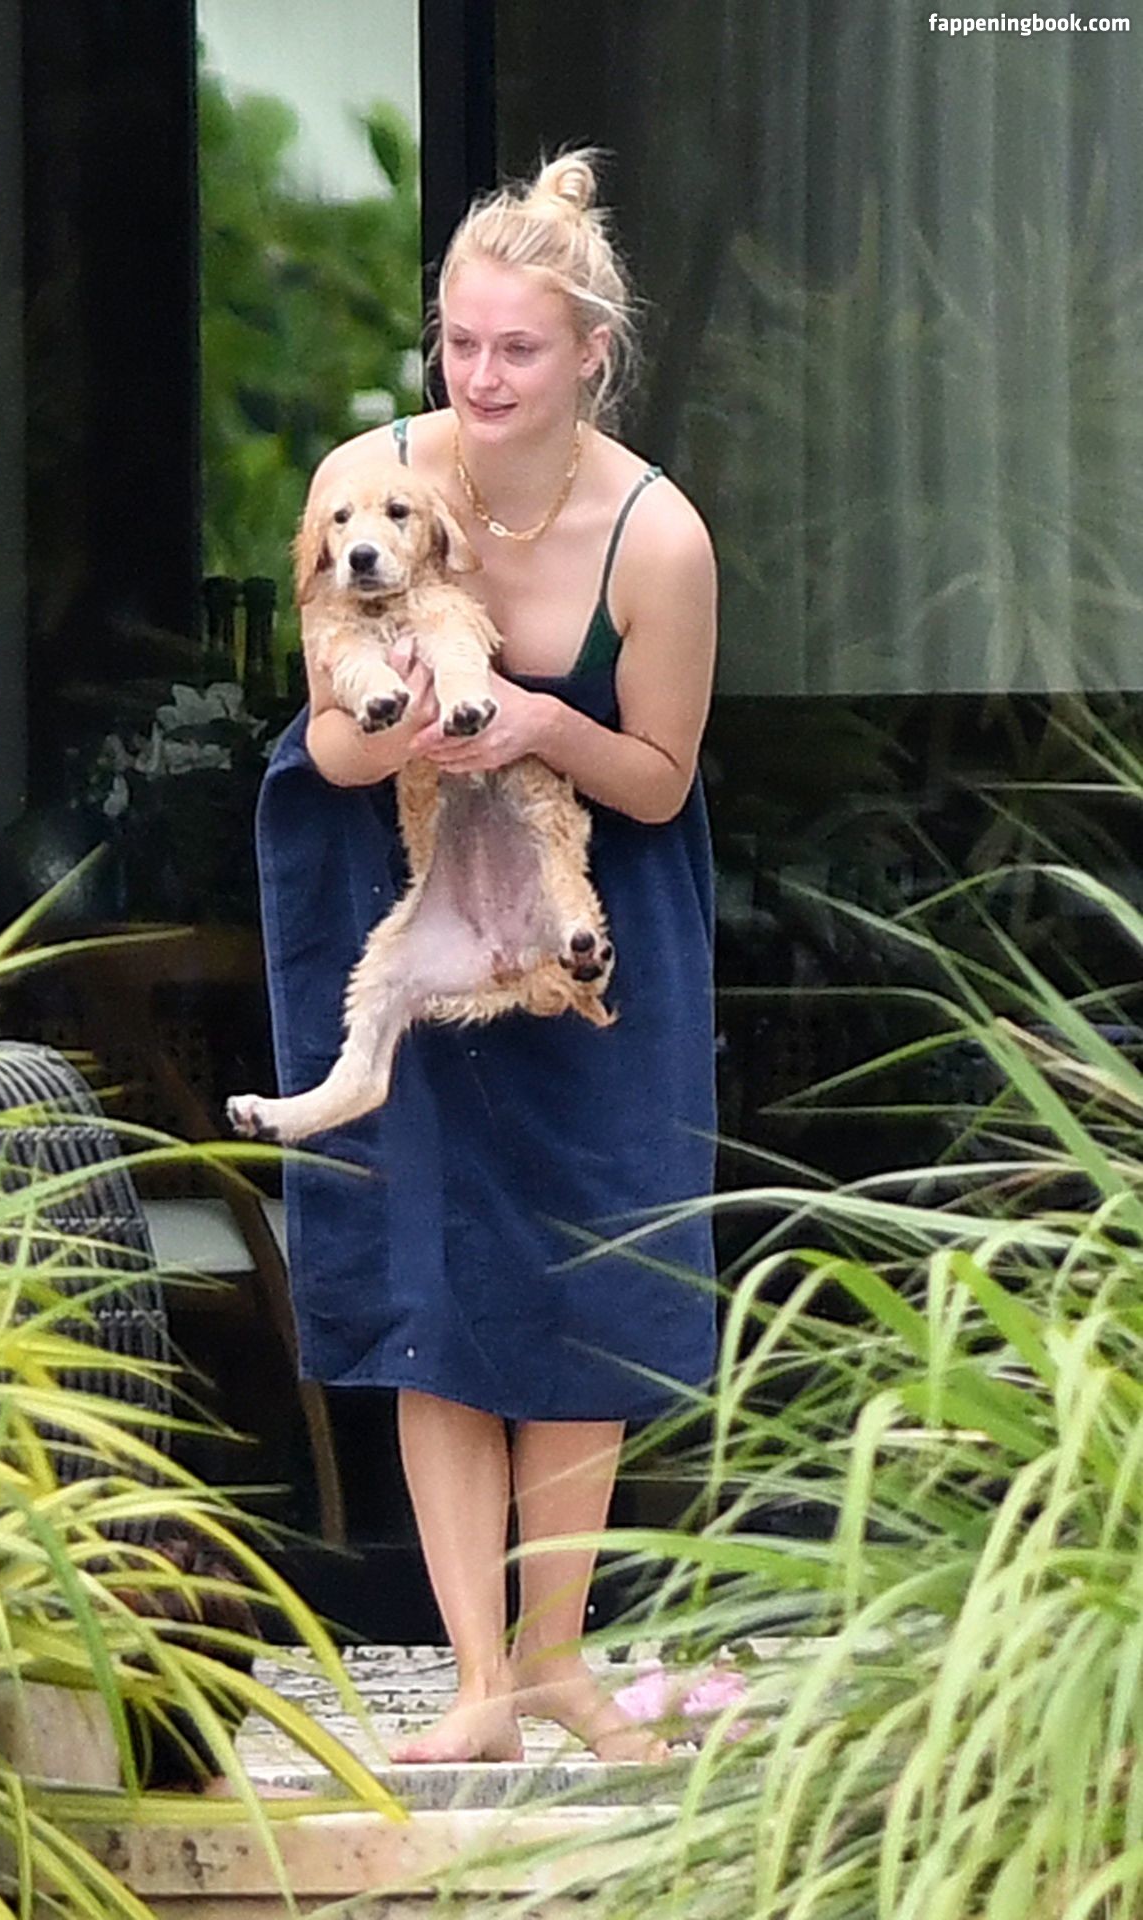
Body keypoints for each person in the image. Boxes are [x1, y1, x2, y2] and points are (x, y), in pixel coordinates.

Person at [254, 149, 718, 1764]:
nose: (480, 375)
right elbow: (325, 737)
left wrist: (532, 722)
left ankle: (556, 1661)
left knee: (583, 1280)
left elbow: (658, 780)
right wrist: (407, 734)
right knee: (432, 1285)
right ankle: (474, 1688)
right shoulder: (365, 481)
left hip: (595, 909)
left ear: (590, 350)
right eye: (459, 342)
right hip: (405, 886)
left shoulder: (656, 537)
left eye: (518, 347)